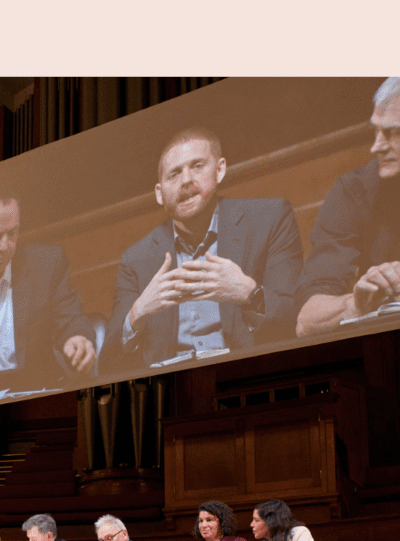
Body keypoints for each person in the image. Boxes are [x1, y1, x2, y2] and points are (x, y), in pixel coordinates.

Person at [104, 126, 303, 372]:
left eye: (197, 166)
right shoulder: (136, 258)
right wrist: (136, 314)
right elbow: (108, 365)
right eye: (174, 174)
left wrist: (249, 294)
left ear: (220, 170)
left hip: (251, 377)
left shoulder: (271, 219)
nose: (186, 180)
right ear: (159, 194)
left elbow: (297, 320)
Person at [296, 77, 400, 336]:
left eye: (393, 132)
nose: (376, 146)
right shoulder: (352, 191)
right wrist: (356, 303)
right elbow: (306, 320)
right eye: (375, 130)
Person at [0, 196, 97, 394]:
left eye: (12, 233)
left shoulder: (46, 263)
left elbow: (71, 319)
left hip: (29, 394)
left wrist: (77, 338)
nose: (6, 247)